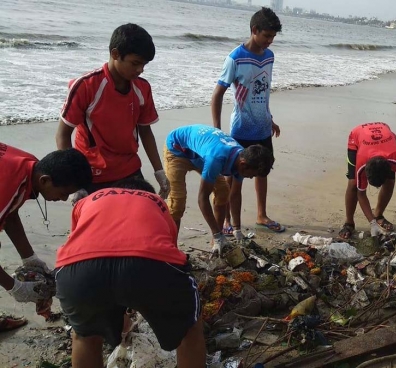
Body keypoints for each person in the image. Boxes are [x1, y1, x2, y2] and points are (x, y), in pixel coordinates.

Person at [54, 178, 205, 368]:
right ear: (146, 191)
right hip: (149, 263)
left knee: (85, 335)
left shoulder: (87, 200)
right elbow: (170, 249)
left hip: (78, 269)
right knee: (188, 330)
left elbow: (77, 239)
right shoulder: (156, 200)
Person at [55, 23, 170, 202]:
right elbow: (63, 134)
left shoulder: (142, 87)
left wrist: (159, 171)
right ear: (115, 54)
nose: (140, 70)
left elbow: (145, 131)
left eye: (144, 65)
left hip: (129, 170)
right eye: (135, 63)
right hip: (91, 173)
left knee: (137, 223)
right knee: (93, 227)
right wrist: (74, 182)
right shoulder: (86, 86)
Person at [0, 144, 91, 331]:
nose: (65, 199)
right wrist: (14, 287)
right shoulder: (9, 184)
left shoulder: (31, 166)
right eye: (63, 193)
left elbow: (10, 212)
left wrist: (29, 258)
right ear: (45, 180)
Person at [210, 7, 284, 236]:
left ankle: (261, 214)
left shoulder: (269, 56)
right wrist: (217, 130)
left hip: (262, 127)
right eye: (266, 36)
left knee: (262, 172)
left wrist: (270, 119)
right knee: (235, 177)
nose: (270, 41)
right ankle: (227, 221)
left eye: (273, 37)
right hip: (241, 128)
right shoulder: (235, 58)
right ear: (254, 30)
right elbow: (217, 95)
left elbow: (263, 90)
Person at [164, 125, 275, 250]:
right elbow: (202, 197)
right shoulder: (217, 159)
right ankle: (171, 249)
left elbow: (236, 194)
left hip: (200, 153)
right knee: (177, 203)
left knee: (223, 191)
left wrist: (237, 230)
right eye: (252, 175)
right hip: (178, 149)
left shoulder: (242, 158)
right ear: (243, 165)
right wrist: (218, 235)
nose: (251, 178)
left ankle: (216, 243)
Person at [338, 122, 396, 239]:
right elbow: (361, 193)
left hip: (387, 140)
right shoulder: (361, 163)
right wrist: (372, 224)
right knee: (354, 183)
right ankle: (349, 223)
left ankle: (378, 214)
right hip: (357, 137)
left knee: (390, 181)